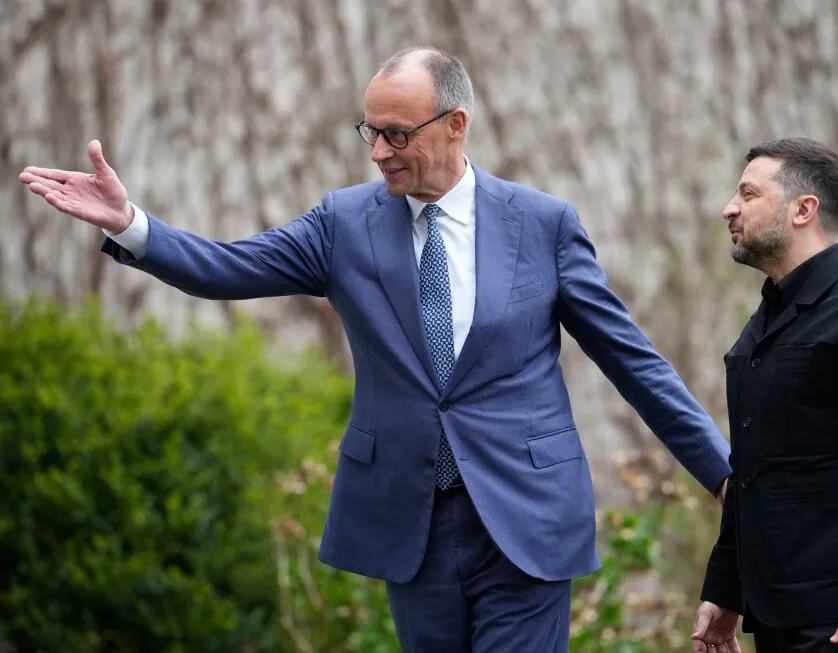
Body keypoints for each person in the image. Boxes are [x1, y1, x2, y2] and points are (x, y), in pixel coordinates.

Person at [20, 47, 731, 652]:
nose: (378, 151)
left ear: (456, 125)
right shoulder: (343, 224)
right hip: (412, 521)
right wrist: (132, 224)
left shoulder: (543, 224)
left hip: (527, 515)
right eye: (371, 131)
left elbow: (631, 360)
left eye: (396, 134)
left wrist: (726, 476)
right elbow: (228, 268)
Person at [690, 137, 838, 653]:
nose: (728, 209)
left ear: (804, 209)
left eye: (748, 194)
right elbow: (751, 474)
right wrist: (725, 590)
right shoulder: (762, 326)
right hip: (775, 617)